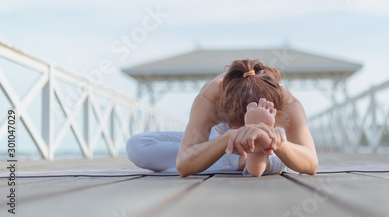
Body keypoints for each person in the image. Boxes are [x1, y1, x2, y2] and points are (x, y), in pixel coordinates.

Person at [126, 59, 318, 177]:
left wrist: (273, 141)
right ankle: (238, 162)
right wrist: (231, 137)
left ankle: (255, 155)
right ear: (225, 111)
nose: (246, 131)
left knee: (276, 158)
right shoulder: (212, 96)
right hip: (217, 143)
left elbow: (310, 164)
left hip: (270, 148)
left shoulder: (287, 103)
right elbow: (183, 165)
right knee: (137, 146)